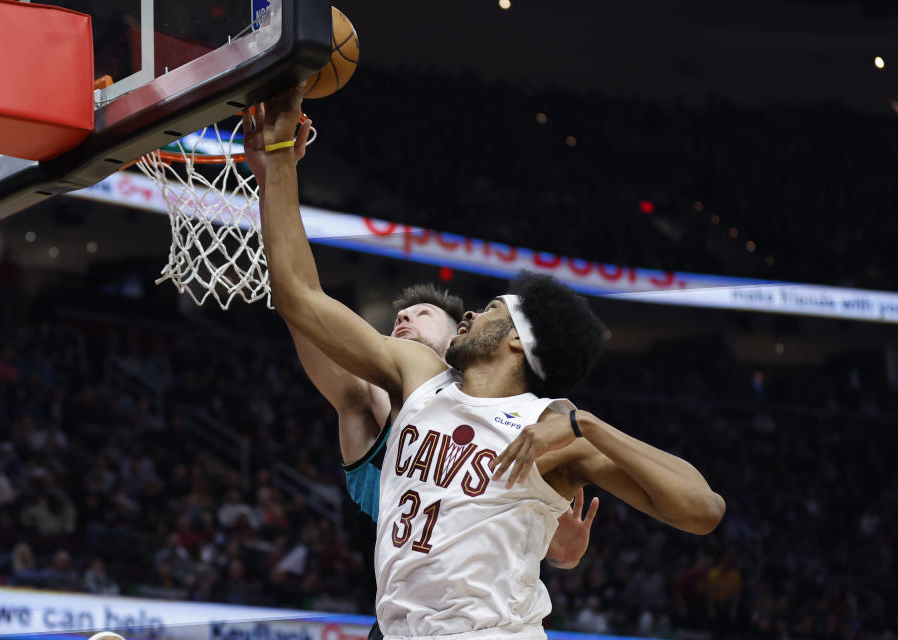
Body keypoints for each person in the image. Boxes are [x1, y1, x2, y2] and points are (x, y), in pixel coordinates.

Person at [253, 85, 725, 640]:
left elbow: (703, 510)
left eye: (493, 307)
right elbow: (300, 297)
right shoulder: (419, 376)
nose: (473, 310)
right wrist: (277, 165)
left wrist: (588, 424)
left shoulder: (552, 430)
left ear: (519, 343)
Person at [242, 114, 599, 611]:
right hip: (403, 611)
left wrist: (560, 553)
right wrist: (274, 177)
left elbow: (551, 538)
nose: (404, 319)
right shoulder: (367, 397)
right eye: (397, 320)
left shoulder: (524, 420)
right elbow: (303, 308)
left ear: (461, 336)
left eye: (422, 314)